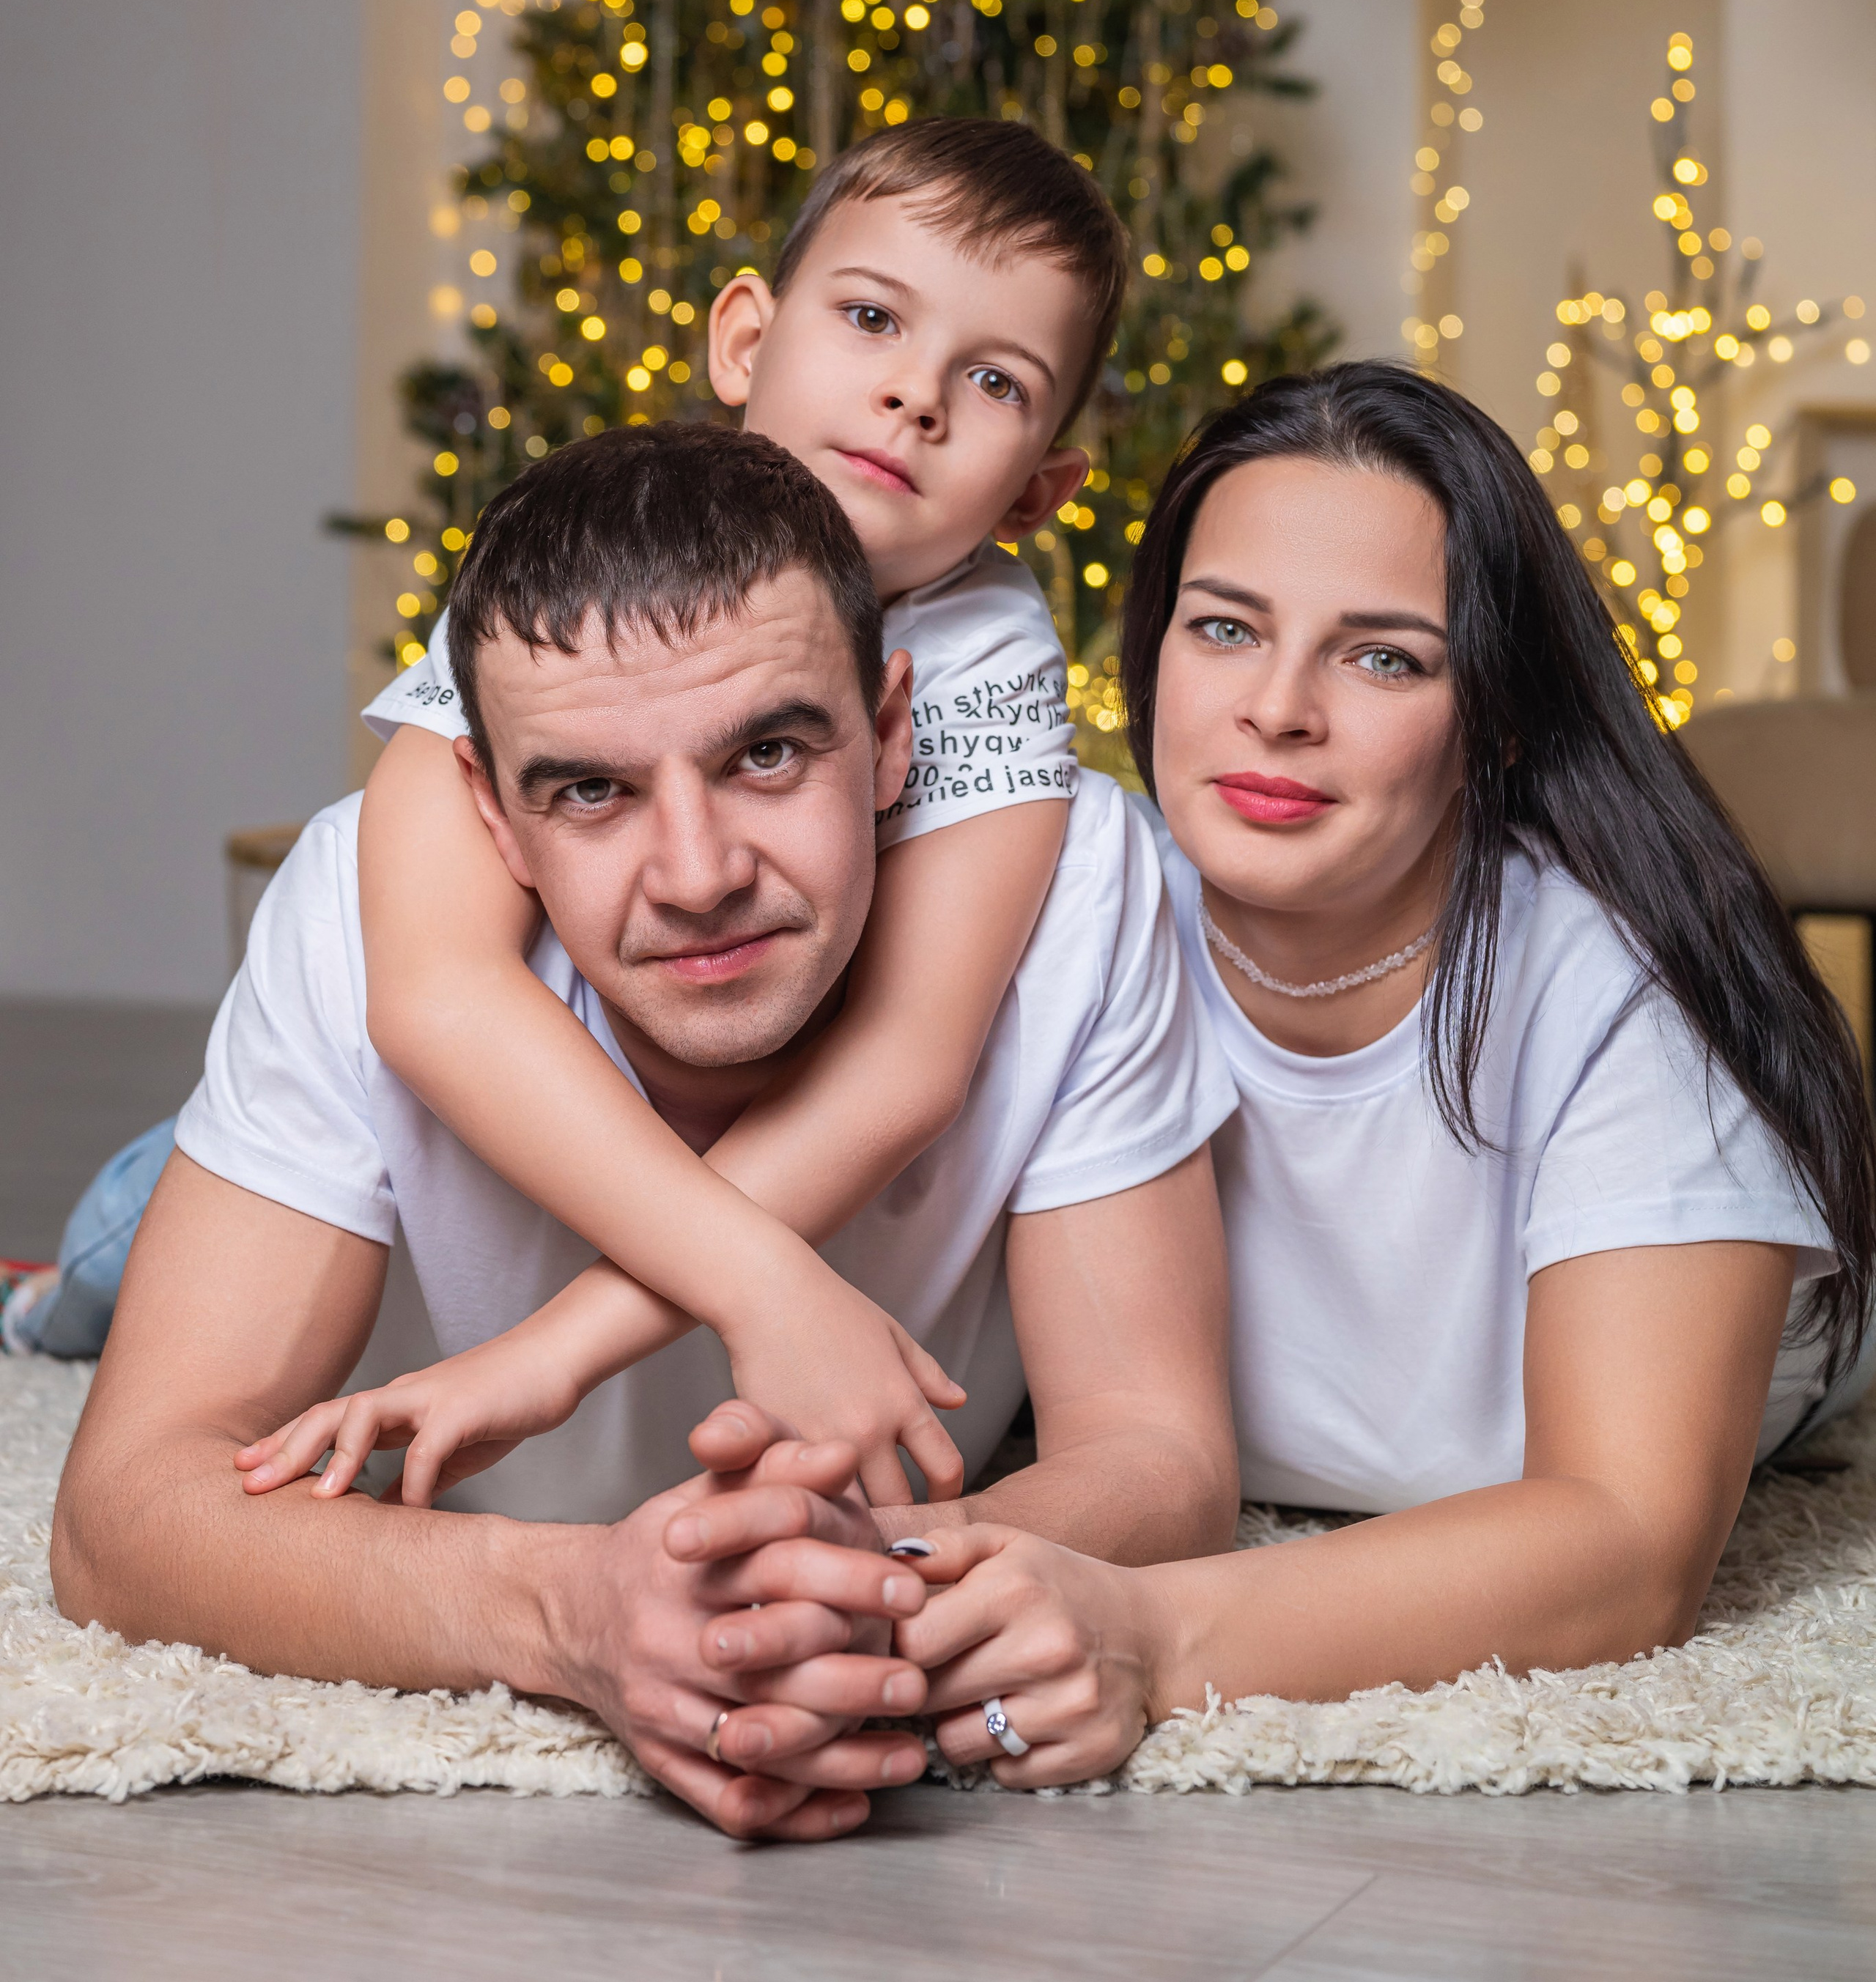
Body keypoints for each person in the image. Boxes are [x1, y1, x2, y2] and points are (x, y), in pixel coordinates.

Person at [51, 421, 1240, 1841]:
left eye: (768, 752)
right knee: (101, 1271)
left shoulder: (1074, 886)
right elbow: (116, 1519)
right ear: (489, 813)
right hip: (234, 1194)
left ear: (889, 733)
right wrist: (563, 1609)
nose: (697, 877)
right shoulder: (352, 912)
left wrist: (849, 1579)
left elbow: (1163, 1454)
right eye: (591, 790)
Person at [781, 362, 1876, 1789]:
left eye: (1382, 657)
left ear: (1488, 714)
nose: (1276, 709)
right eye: (1224, 628)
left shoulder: (1614, 978)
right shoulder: (1056, 906)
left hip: (1788, 1377)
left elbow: (1629, 1547)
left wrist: (1152, 1632)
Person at [15, 120, 1123, 1472]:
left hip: (639, 1142)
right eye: (872, 317)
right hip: (356, 1124)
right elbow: (434, 990)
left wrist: (559, 1349)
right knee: (122, 1258)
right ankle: (51, 1291)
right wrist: (762, 1281)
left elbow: (902, 1068)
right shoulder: (595, 578)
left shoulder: (994, 653)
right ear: (743, 341)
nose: (915, 397)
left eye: (995, 381)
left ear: (1041, 494)